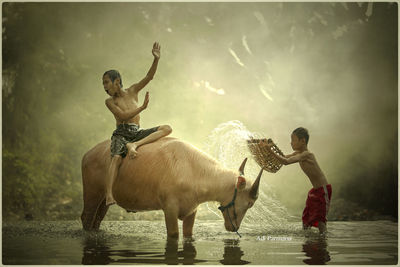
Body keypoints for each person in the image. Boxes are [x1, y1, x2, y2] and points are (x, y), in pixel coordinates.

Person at [102, 42, 172, 206]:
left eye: (107, 82)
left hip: (136, 132)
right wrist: (142, 107)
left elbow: (149, 77)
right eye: (103, 84)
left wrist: (156, 60)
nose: (104, 87)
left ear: (117, 81)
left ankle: (135, 144)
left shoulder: (133, 91)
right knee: (116, 158)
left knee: (167, 128)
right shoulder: (109, 101)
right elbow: (123, 116)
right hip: (122, 132)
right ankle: (109, 194)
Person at [260, 127, 331, 234]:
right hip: (315, 191)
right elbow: (282, 157)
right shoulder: (297, 154)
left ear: (302, 141)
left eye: (293, 140)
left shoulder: (307, 154)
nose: (291, 143)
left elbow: (286, 162)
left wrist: (270, 150)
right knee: (306, 217)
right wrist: (267, 149)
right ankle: (307, 237)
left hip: (323, 190)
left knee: (320, 219)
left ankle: (323, 239)